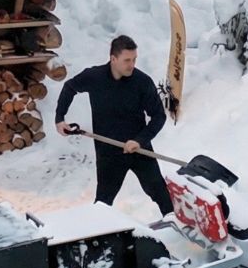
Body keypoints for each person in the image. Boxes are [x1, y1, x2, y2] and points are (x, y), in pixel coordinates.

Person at [54, 35, 172, 213]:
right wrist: (59, 118)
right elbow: (70, 87)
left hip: (139, 149)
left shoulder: (142, 82)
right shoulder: (95, 77)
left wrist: (139, 140)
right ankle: (99, 230)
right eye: (127, 60)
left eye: (134, 59)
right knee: (103, 201)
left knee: (160, 194)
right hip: (108, 151)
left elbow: (158, 116)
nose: (132, 65)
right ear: (113, 59)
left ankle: (173, 222)